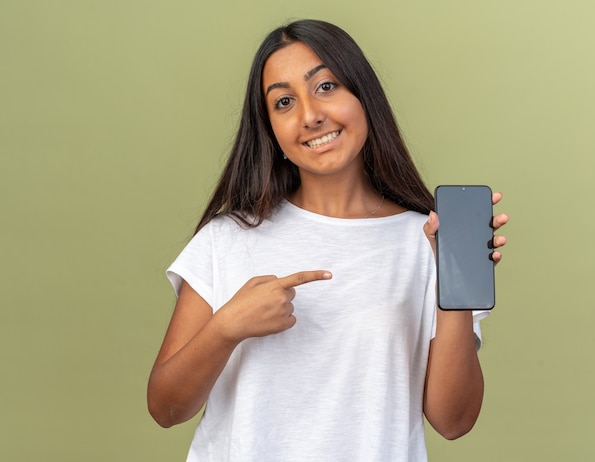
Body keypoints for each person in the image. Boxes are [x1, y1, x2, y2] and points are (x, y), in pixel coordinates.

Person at [147, 19, 509, 462]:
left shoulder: (425, 242)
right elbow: (166, 408)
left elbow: (454, 422)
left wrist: (451, 277)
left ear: (364, 98)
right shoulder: (228, 239)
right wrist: (227, 327)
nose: (310, 115)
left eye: (326, 87)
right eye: (283, 102)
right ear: (272, 132)